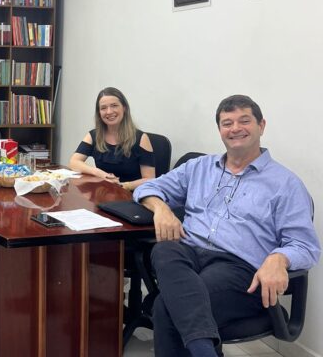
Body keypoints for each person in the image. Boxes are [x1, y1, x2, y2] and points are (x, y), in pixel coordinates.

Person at [133, 94, 320, 357]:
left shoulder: (286, 184)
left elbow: (305, 246)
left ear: (261, 126)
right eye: (227, 123)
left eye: (244, 120)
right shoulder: (199, 167)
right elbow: (150, 187)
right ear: (219, 129)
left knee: (166, 306)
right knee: (163, 250)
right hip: (189, 253)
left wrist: (280, 257)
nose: (235, 129)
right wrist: (161, 208)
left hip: (238, 267)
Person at [69, 87, 155, 191]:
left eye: (114, 106)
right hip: (104, 193)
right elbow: (74, 162)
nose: (109, 112)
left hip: (132, 194)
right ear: (99, 113)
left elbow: (150, 179)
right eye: (103, 108)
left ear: (124, 108)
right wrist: (99, 173)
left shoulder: (141, 138)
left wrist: (123, 185)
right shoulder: (94, 135)